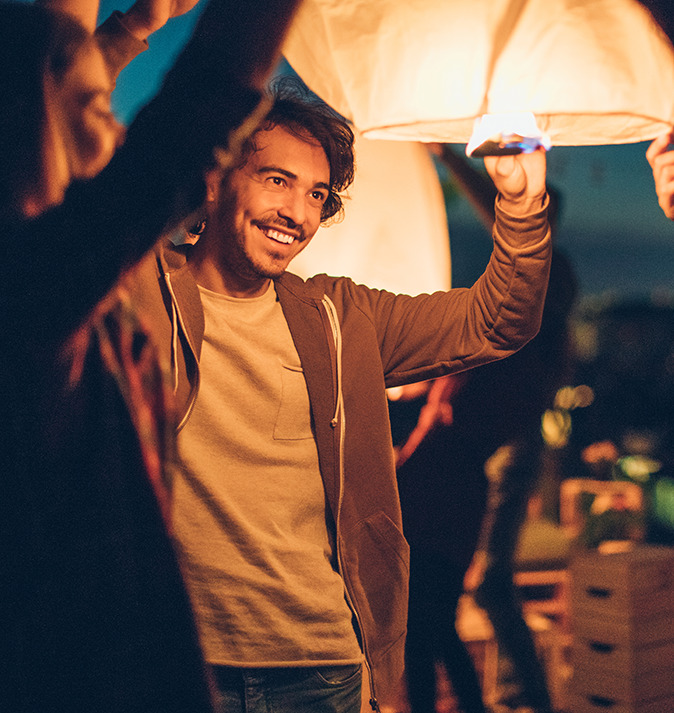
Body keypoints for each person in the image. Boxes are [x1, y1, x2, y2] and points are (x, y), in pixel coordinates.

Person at [126, 78, 553, 713]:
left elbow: (497, 322)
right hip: (175, 663)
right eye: (276, 180)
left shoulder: (340, 316)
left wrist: (521, 201)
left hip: (321, 668)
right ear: (217, 180)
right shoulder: (139, 293)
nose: (296, 213)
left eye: (316, 194)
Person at [0, 1, 301, 711]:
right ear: (28, 122)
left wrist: (134, 26)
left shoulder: (57, 285)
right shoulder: (26, 290)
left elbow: (56, 75)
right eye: (98, 105)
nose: (115, 122)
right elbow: (189, 123)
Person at [437, 147, 576, 713]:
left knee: (489, 584)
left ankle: (531, 700)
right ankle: (520, 696)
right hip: (499, 440)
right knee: (475, 584)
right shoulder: (538, 274)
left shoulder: (549, 273)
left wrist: (449, 155)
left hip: (512, 442)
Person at [391, 373, 490, 713]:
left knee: (422, 636)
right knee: (439, 631)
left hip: (432, 532)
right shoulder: (451, 412)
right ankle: (472, 706)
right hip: (442, 534)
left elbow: (415, 472)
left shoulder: (450, 429)